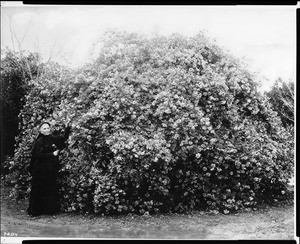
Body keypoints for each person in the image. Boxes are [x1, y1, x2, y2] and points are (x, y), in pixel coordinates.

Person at [27, 121, 71, 217]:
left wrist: (67, 128)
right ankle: (35, 211)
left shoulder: (52, 138)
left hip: (49, 168)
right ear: (40, 131)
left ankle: (49, 210)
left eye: (48, 128)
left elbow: (62, 139)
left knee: (49, 188)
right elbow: (39, 155)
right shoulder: (39, 141)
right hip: (40, 169)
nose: (47, 130)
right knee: (38, 189)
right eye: (44, 129)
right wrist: (52, 154)